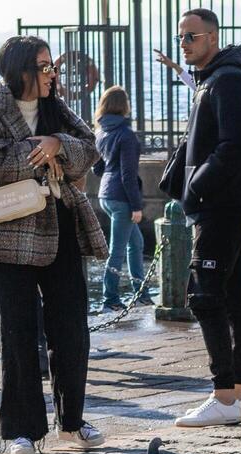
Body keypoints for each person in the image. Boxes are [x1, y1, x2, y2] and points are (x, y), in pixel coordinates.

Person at [0, 36, 108, 454]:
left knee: (72, 328)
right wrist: (38, 149)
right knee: (19, 331)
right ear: (22, 70)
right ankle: (20, 431)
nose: (52, 73)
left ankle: (73, 423)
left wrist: (58, 145)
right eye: (44, 66)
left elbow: (89, 148)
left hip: (59, 222)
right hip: (9, 228)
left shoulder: (55, 106)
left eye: (52, 66)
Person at [170, 9, 241, 428]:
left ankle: (223, 393)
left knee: (204, 296)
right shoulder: (218, 79)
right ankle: (238, 395)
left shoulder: (226, 80)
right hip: (223, 201)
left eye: (191, 37)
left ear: (213, 37)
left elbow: (233, 145)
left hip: (220, 203)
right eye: (181, 38)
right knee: (235, 293)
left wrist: (197, 187)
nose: (184, 44)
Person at [91, 85, 153, 312]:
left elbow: (97, 169)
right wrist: (136, 207)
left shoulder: (101, 132)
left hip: (105, 195)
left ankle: (141, 294)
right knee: (117, 251)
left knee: (136, 244)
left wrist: (110, 169)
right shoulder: (126, 135)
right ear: (124, 106)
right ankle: (110, 300)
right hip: (122, 198)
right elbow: (128, 175)